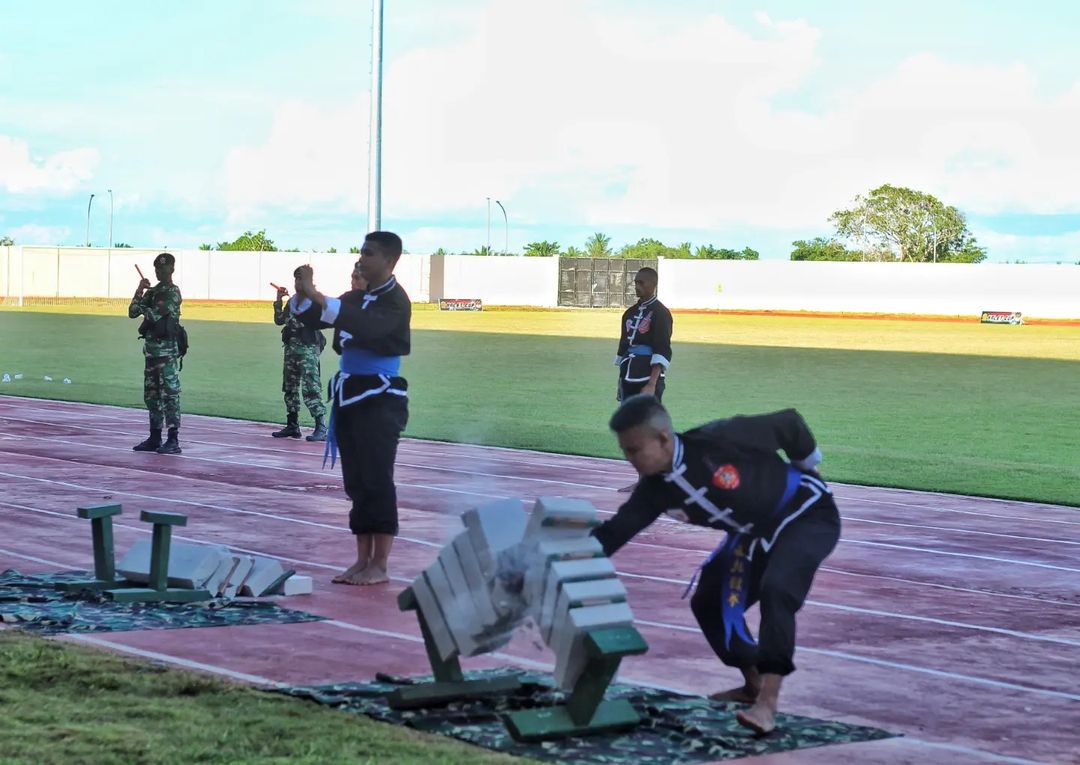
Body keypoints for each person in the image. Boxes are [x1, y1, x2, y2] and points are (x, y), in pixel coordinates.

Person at [592, 395, 840, 735]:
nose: (629, 459)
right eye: (624, 451)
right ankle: (752, 684)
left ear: (663, 438)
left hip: (807, 515)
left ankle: (766, 705)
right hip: (753, 533)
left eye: (634, 450)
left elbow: (788, 423)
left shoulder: (719, 439)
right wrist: (560, 559)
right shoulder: (654, 491)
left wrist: (809, 466)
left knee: (778, 588)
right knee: (708, 600)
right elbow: (616, 532)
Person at [291, 232, 410, 586]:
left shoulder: (396, 301)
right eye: (361, 252)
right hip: (350, 394)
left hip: (380, 397)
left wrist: (316, 294)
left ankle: (380, 564)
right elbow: (317, 318)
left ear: (390, 261)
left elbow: (366, 326)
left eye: (369, 254)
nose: (361, 259)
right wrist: (302, 293)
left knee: (377, 479)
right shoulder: (356, 297)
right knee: (356, 482)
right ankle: (361, 560)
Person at [128, 252, 184, 455]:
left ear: (172, 269)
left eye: (163, 268)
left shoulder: (173, 292)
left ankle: (173, 438)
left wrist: (144, 305)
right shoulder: (152, 292)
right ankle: (155, 436)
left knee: (170, 395)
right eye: (157, 269)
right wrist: (140, 290)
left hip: (167, 352)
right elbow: (132, 312)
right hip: (152, 352)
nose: (160, 271)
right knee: (152, 396)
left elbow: (154, 315)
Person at [272, 267, 327, 441]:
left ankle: (321, 427)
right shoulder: (293, 301)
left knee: (311, 388)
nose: (298, 282)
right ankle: (292, 425)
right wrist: (279, 301)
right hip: (291, 350)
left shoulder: (315, 300)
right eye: (296, 279)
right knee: (290, 388)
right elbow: (279, 320)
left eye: (301, 279)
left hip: (307, 349)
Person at [615, 267, 672, 402]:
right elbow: (624, 347)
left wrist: (652, 384)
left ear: (653, 284)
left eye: (641, 283)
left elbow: (662, 348)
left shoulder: (661, 313)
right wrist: (620, 383)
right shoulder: (629, 313)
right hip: (628, 375)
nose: (637, 286)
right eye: (636, 282)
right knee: (627, 414)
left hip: (649, 376)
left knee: (648, 415)